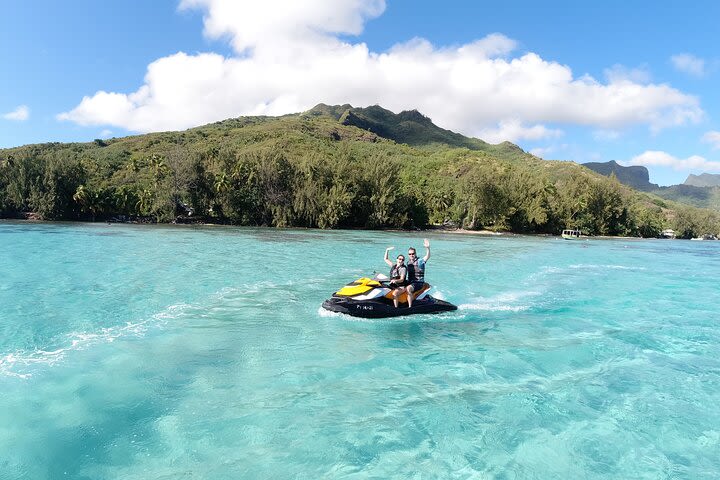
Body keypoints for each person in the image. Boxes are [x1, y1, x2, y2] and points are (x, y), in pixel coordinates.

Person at [406, 238, 430, 308]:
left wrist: (428, 248)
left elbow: (427, 257)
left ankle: (410, 307)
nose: (411, 255)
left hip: (418, 283)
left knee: (408, 289)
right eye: (410, 254)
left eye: (413, 254)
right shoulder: (408, 262)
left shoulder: (420, 261)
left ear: (415, 254)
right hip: (410, 282)